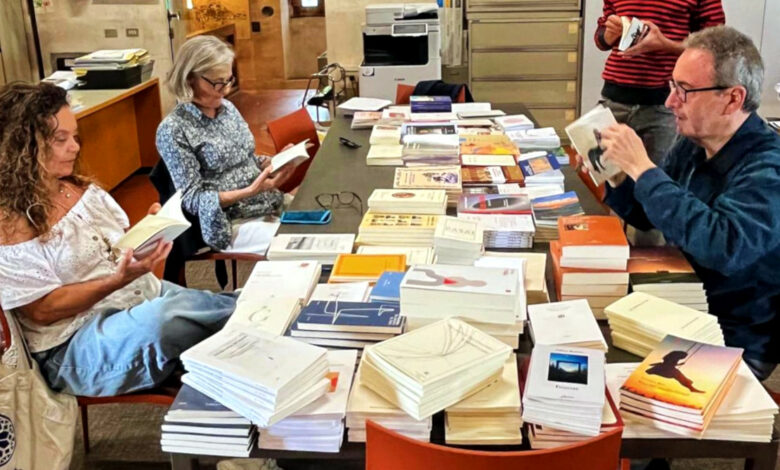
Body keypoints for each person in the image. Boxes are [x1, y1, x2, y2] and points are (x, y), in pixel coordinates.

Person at [0, 82, 237, 397]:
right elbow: (43, 310)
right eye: (60, 139)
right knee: (166, 317)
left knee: (182, 309)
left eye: (75, 136)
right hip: (74, 344)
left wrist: (148, 233)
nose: (75, 147)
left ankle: (247, 314)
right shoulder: (10, 222)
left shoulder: (78, 189)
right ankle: (252, 311)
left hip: (134, 299)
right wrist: (115, 281)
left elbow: (115, 249)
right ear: (22, 148)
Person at [599, 26, 780, 380]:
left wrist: (644, 169)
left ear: (733, 99)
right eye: (671, 87)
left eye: (684, 91)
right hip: (680, 300)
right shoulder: (695, 141)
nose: (670, 102)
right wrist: (618, 174)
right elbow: (649, 215)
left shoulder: (768, 166)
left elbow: (723, 246)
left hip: (732, 332)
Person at [156, 35, 295, 251]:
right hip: (231, 221)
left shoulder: (227, 109)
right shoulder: (174, 129)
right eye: (217, 82)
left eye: (228, 80)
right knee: (299, 243)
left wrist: (274, 162)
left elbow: (246, 158)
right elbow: (192, 200)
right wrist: (249, 191)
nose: (225, 89)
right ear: (189, 79)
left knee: (331, 225)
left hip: (267, 202)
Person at [594, 0, 725, 164]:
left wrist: (665, 45)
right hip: (614, 99)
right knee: (601, 172)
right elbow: (600, 39)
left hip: (666, 105)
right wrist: (609, 35)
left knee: (658, 174)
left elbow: (715, 46)